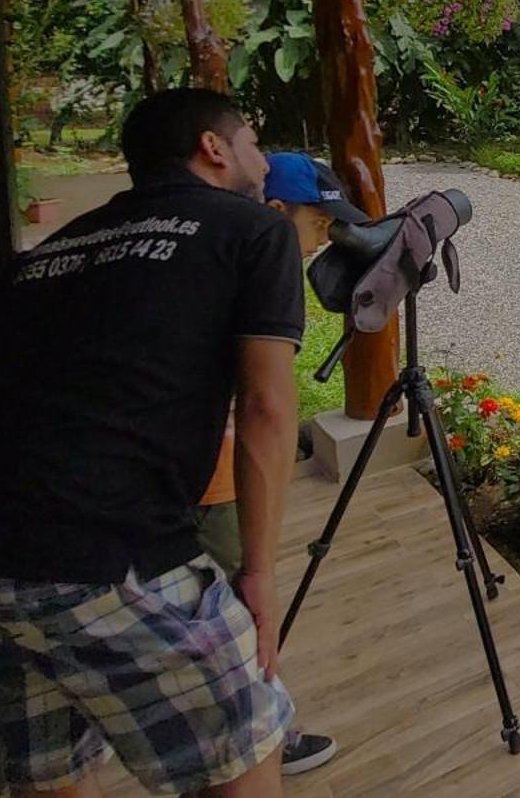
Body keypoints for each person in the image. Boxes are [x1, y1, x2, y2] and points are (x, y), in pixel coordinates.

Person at [0, 90, 303, 798]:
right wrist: (260, 575)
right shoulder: (250, 229)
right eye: (253, 141)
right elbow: (267, 404)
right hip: (108, 549)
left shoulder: (53, 249)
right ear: (213, 147)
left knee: (51, 770)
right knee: (245, 740)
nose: (263, 162)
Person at [189, 153, 365, 779]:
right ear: (274, 212)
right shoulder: (262, 258)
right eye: (319, 223)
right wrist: (262, 567)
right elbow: (267, 404)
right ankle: (265, 738)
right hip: (203, 475)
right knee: (236, 607)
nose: (325, 239)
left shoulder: (202, 251)